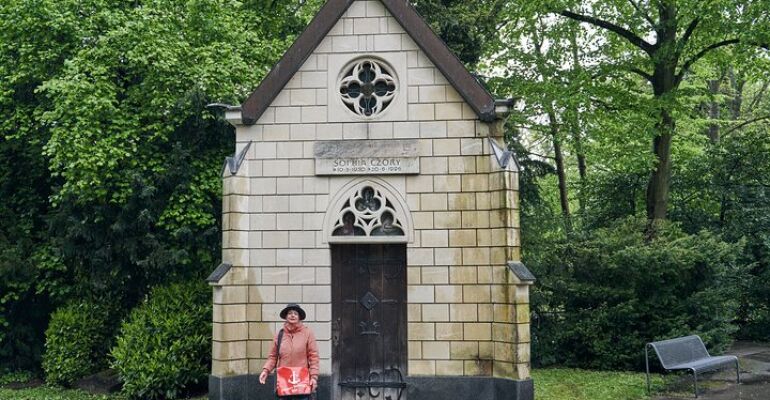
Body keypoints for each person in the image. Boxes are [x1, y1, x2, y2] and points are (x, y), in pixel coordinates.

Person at [259, 303, 320, 394]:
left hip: (302, 380)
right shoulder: (279, 335)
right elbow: (273, 356)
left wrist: (314, 377)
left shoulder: (308, 333)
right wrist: (266, 371)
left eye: (295, 313)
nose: (292, 315)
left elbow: (313, 357)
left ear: (299, 317)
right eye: (290, 313)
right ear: (286, 316)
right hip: (284, 381)